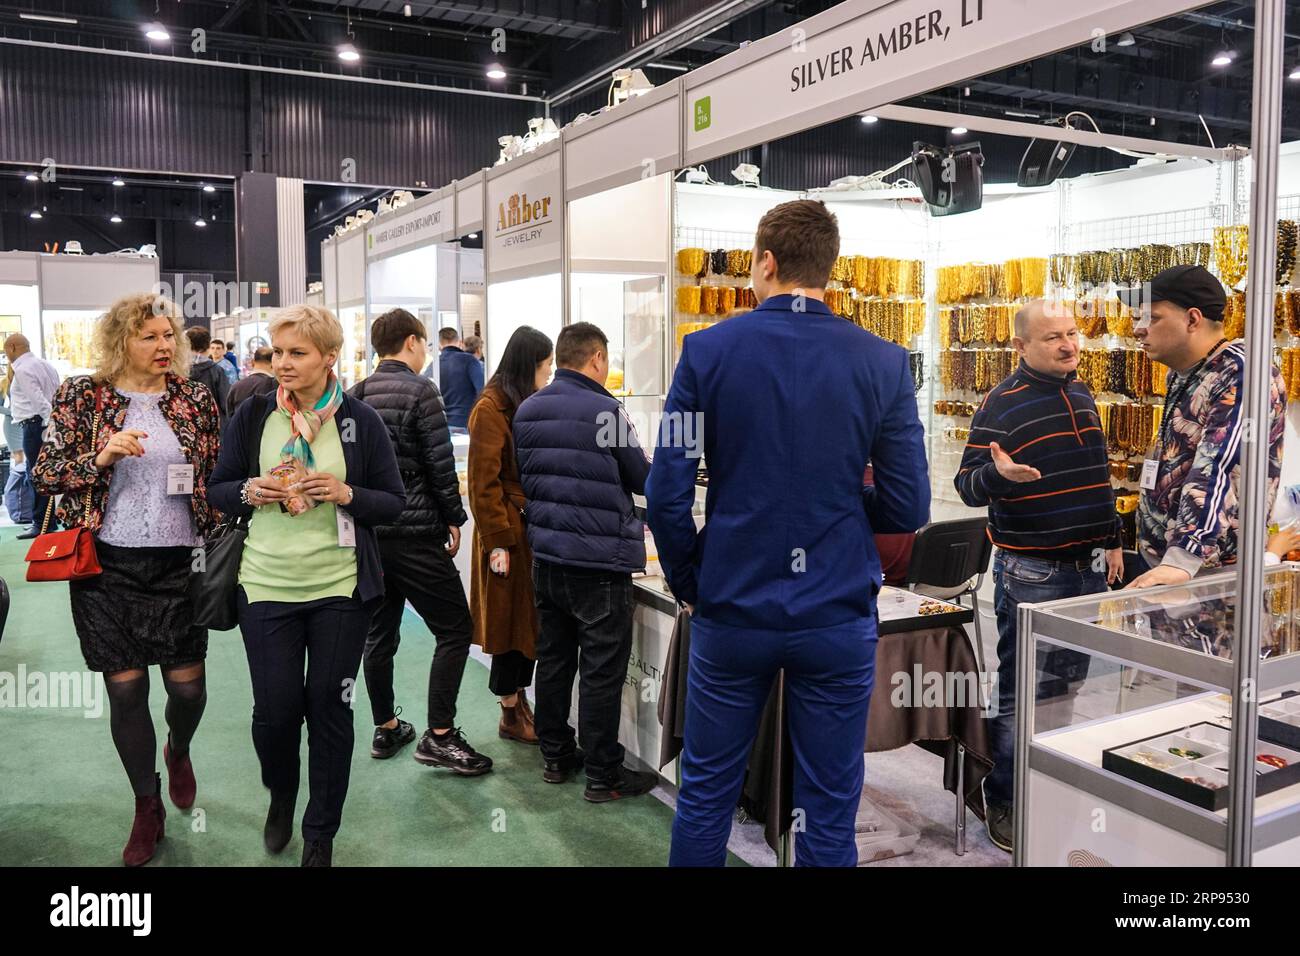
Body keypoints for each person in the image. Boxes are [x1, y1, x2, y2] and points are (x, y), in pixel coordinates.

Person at [646, 199, 929, 866]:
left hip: (732, 606)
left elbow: (666, 493)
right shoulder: (885, 363)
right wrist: (838, 500)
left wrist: (693, 582)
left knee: (707, 791)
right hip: (834, 612)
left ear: (766, 263)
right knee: (829, 807)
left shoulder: (706, 352)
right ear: (827, 268)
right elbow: (908, 505)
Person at [207, 304, 405, 867]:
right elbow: (218, 489)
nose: (283, 364)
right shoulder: (253, 416)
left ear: (328, 358)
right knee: (274, 712)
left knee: (329, 707)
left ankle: (320, 833)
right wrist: (251, 490)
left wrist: (346, 494)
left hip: (341, 588)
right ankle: (281, 791)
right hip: (265, 584)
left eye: (298, 353)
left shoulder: (360, 422)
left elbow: (392, 501)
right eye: (278, 353)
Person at [31, 293, 222, 866]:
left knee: (187, 688)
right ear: (120, 342)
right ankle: (146, 805)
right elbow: (46, 471)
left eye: (169, 336)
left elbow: (214, 472)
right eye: (150, 337)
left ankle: (179, 748)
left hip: (180, 563)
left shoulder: (195, 398)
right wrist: (100, 456)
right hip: (105, 564)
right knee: (127, 688)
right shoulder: (81, 395)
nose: (165, 346)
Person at [953, 298, 1124, 854]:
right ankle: (1001, 795)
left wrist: (1113, 539)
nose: (1069, 344)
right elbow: (966, 485)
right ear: (1022, 345)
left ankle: (1043, 780)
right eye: (1053, 337)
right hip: (1032, 570)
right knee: (1022, 691)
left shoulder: (1081, 391)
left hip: (1089, 569)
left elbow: (1096, 474)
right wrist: (997, 478)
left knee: (1066, 686)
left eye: (1073, 333)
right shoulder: (1001, 405)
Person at [514, 322, 654, 800]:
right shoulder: (607, 410)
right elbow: (640, 478)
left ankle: (555, 756)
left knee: (553, 661)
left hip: (548, 559)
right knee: (600, 672)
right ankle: (602, 773)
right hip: (599, 564)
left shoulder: (528, 409)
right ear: (596, 358)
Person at [351, 309, 491, 774]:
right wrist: (454, 516)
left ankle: (386, 726)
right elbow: (438, 463)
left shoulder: (357, 394)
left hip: (371, 532)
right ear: (411, 342)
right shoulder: (420, 390)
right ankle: (441, 735)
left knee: (379, 634)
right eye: (424, 342)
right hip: (414, 531)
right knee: (455, 629)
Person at [1120, 265, 1286, 589]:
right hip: (1169, 567)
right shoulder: (1184, 373)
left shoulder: (1242, 373)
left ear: (1192, 320)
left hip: (1208, 577)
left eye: (1152, 318)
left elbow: (1219, 464)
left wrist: (1185, 557)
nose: (1138, 329)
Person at [467, 326, 552, 745]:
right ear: (528, 365)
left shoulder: (517, 403)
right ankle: (510, 710)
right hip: (506, 532)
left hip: (523, 528)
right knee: (508, 624)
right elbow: (482, 482)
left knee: (524, 623)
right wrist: (498, 540)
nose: (550, 373)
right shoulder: (491, 408)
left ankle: (518, 704)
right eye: (546, 365)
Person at [4, 333, 60, 539]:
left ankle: (41, 523)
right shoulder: (45, 365)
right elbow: (55, 396)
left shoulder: (23, 369)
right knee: (46, 473)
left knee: (36, 475)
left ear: (12, 348)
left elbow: (39, 402)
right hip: (44, 425)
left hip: (37, 427)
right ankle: (48, 521)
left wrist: (50, 425)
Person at [439, 327, 484, 430]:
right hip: (466, 421)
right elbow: (481, 391)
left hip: (442, 424)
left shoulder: (434, 365)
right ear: (459, 342)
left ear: (439, 344)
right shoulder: (470, 361)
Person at [186, 327, 230, 427]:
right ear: (208, 345)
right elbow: (225, 404)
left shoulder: (178, 370)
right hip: (212, 425)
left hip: (186, 425)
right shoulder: (216, 371)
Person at [227, 346, 277, 416]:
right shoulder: (276, 387)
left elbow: (229, 414)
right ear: (273, 363)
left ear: (252, 362)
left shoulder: (236, 386)